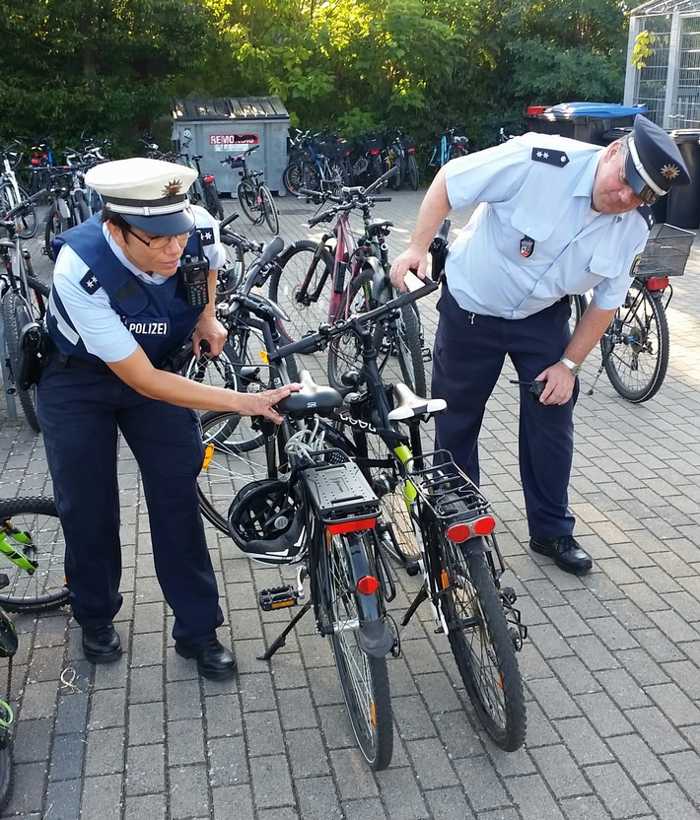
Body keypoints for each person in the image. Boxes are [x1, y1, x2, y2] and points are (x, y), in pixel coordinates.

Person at [391, 115, 689, 575]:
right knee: (457, 416)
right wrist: (417, 245)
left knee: (552, 418)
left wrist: (569, 364)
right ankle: (460, 522)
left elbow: (605, 303)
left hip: (541, 318)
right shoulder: (538, 160)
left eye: (642, 195)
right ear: (612, 153)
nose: (626, 198)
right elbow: (451, 180)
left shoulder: (633, 227)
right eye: (626, 181)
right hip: (473, 307)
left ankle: (552, 531)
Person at [39, 157, 298, 679]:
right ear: (116, 228)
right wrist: (244, 402)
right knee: (87, 504)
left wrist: (207, 315)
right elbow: (142, 381)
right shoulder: (80, 268)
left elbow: (208, 267)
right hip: (80, 380)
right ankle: (94, 615)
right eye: (156, 240)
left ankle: (199, 631)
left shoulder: (194, 228)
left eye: (175, 234)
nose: (172, 248)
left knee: (176, 497)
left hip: (158, 367)